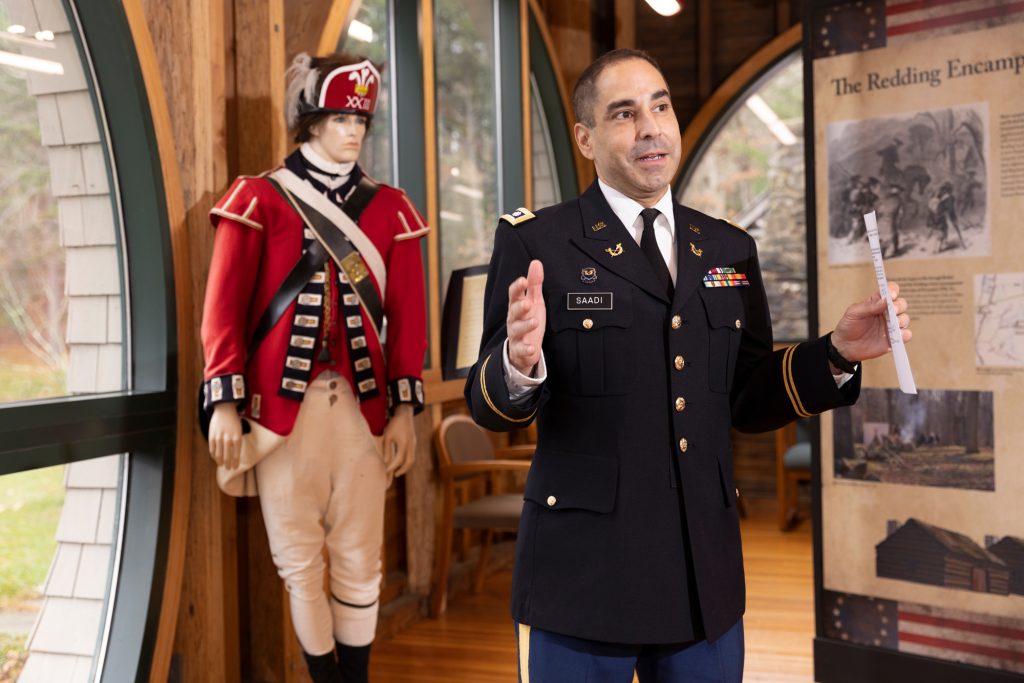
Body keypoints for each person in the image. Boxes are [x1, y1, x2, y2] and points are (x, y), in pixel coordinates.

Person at [464, 49, 911, 683]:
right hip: (582, 579)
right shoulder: (538, 244)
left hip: (704, 579)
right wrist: (517, 361)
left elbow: (749, 394)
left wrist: (834, 353)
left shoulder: (728, 247)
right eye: (624, 113)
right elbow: (490, 406)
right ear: (585, 139)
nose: (650, 127)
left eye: (661, 106)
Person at [200, 52, 429, 683]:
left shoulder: (390, 209)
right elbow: (222, 308)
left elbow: (408, 319)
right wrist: (222, 399)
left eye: (361, 119)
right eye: (338, 116)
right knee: (298, 560)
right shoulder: (260, 199)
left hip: (363, 409)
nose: (353, 130)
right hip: (279, 410)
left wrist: (405, 411)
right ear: (310, 118)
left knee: (360, 558)